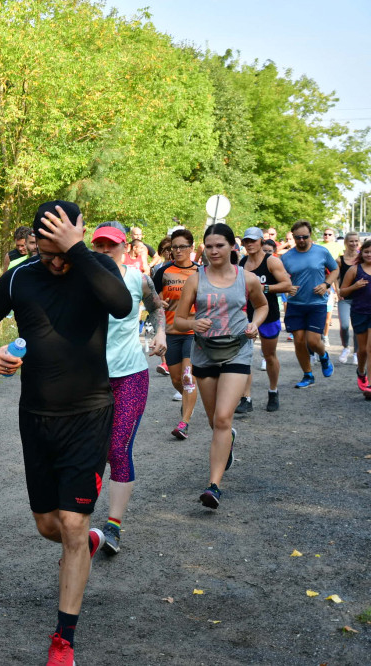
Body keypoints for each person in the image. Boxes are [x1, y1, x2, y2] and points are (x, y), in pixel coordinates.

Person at [0, 201, 132, 666]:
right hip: (36, 417)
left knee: (74, 524)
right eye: (46, 252)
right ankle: (85, 544)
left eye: (61, 250)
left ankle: (64, 639)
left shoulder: (94, 265)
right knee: (49, 525)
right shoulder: (20, 276)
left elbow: (121, 307)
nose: (55, 262)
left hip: (89, 413)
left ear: (76, 234)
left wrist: (77, 251)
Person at [174, 223, 267, 510]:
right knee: (217, 422)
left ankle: (213, 486)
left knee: (224, 418)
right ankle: (228, 439)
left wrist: (254, 324)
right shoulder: (195, 280)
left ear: (231, 247)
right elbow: (178, 320)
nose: (214, 251)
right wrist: (193, 323)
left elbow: (262, 306)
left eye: (220, 245)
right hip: (204, 353)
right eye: (209, 246)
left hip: (238, 350)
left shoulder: (247, 279)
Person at [89, 223, 166, 555]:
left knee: (117, 448)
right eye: (100, 245)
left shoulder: (138, 278)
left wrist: (159, 333)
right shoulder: (80, 280)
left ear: (124, 247)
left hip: (130, 374)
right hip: (88, 378)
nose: (106, 250)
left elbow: (157, 307)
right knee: (89, 449)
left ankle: (113, 526)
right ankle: (78, 516)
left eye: (112, 245)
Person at [236, 227, 292, 412]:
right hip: (246, 314)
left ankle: (273, 391)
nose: (249, 244)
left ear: (261, 241)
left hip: (268, 313)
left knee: (269, 356)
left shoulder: (272, 261)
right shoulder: (241, 263)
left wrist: (263, 288)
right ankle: (246, 398)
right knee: (244, 356)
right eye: (246, 241)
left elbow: (286, 284)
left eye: (253, 240)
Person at [152, 228, 200, 440]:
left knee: (188, 377)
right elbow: (152, 299)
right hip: (171, 332)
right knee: (176, 380)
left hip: (193, 331)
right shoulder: (163, 272)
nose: (177, 251)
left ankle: (184, 422)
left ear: (191, 247)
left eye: (182, 247)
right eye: (174, 247)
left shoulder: (200, 272)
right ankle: (189, 402)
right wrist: (157, 302)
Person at [280, 220, 338, 387]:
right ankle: (308, 375)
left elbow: (335, 269)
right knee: (298, 340)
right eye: (298, 237)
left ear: (310, 235)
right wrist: (287, 287)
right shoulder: (287, 257)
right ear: (293, 237)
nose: (302, 240)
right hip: (295, 303)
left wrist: (326, 284)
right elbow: (281, 277)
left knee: (312, 341)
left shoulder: (321, 251)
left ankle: (324, 356)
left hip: (316, 303)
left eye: (305, 237)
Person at [338, 239, 371, 397]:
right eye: (366, 251)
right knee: (363, 350)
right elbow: (342, 292)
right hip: (359, 312)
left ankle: (370, 384)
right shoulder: (354, 270)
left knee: (370, 349)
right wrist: (355, 286)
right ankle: (361, 371)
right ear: (361, 253)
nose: (369, 254)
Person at [336, 232, 361, 364]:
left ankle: (356, 352)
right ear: (346, 242)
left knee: (357, 326)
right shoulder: (340, 259)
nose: (354, 244)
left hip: (359, 298)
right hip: (344, 298)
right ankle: (346, 347)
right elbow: (335, 276)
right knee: (345, 325)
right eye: (351, 241)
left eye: (356, 241)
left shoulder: (362, 259)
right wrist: (337, 291)